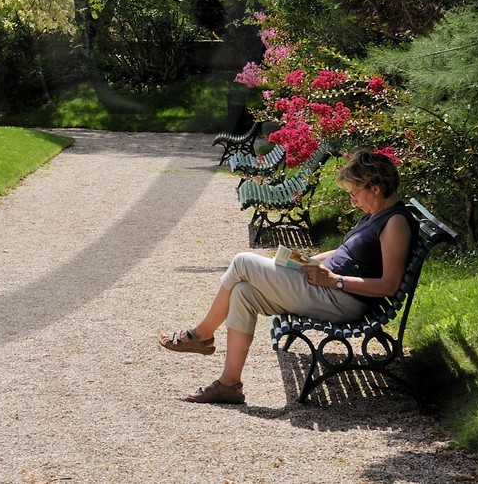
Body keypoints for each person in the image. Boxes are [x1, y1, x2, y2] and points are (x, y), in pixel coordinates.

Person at [157, 149, 412, 404]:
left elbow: (389, 285)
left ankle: (201, 334)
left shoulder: (395, 223)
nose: (353, 200)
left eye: (355, 193)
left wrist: (335, 280)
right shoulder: (374, 215)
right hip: (326, 288)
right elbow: (345, 252)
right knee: (243, 292)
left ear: (376, 188)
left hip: (342, 299)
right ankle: (229, 384)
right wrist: (303, 262)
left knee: (242, 261)